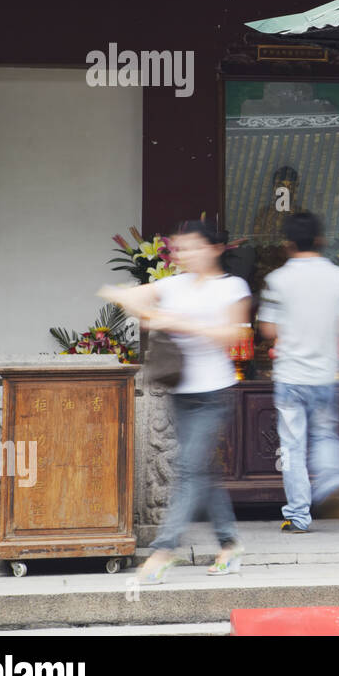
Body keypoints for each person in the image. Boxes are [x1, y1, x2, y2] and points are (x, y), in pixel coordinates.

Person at [99, 221, 251, 583]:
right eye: (180, 249)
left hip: (215, 392)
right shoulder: (173, 284)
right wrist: (147, 310)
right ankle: (230, 544)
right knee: (201, 471)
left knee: (187, 470)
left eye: (194, 247)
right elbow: (126, 296)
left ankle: (163, 550)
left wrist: (181, 323)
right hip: (181, 390)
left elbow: (233, 334)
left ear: (215, 248)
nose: (185, 255)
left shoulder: (232, 287)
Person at [256, 211, 339, 532]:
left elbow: (268, 328)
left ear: (287, 244)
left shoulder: (278, 280)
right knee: (325, 434)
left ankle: (299, 515)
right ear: (321, 241)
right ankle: (334, 476)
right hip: (326, 375)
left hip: (290, 377)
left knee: (293, 446)